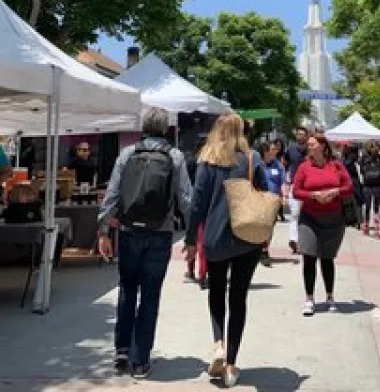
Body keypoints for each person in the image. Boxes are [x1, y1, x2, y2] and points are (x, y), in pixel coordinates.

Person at [97, 108, 192, 379]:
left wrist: (104, 230)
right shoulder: (174, 157)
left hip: (128, 232)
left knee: (127, 288)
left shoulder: (127, 154)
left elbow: (112, 194)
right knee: (150, 294)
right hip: (159, 233)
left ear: (143, 127)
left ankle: (122, 349)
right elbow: (186, 198)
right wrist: (195, 234)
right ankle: (140, 361)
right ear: (165, 129)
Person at [184, 114, 268, 389]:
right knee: (239, 298)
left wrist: (190, 239)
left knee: (217, 291)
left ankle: (218, 342)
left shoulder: (208, 160)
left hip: (216, 237)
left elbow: (197, 203)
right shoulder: (252, 159)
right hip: (247, 237)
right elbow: (266, 194)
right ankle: (231, 364)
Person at [292, 133, 353, 316]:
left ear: (323, 147)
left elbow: (349, 187)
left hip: (333, 218)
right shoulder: (304, 167)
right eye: (308, 145)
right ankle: (309, 299)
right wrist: (313, 195)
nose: (309, 147)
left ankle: (329, 296)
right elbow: (296, 191)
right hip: (310, 218)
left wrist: (335, 192)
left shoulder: (336, 166)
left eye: (313, 144)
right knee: (309, 256)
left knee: (327, 258)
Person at [184, 137, 209, 289]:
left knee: (192, 238)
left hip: (192, 205)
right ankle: (202, 274)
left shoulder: (192, 161)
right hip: (206, 206)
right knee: (201, 242)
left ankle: (192, 270)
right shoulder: (209, 163)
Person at [258, 141, 286, 266]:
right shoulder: (257, 164)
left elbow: (283, 182)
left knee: (269, 226)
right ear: (265, 152)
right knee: (259, 225)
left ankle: (264, 248)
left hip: (273, 201)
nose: (276, 151)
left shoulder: (278, 165)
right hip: (259, 200)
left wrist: (284, 196)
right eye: (273, 149)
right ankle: (261, 250)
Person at [285, 126, 308, 254]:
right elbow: (286, 164)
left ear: (306, 136)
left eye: (302, 134)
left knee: (306, 214)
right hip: (294, 185)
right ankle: (294, 240)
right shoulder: (291, 149)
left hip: (308, 187)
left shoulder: (311, 150)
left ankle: (304, 241)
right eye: (298, 134)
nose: (300, 136)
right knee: (294, 214)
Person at [359, 141, 380, 238]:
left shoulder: (364, 158)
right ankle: (376, 229)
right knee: (376, 208)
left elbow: (362, 171)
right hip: (378, 186)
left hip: (367, 186)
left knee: (367, 207)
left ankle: (366, 227)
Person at [342, 144, 364, 230]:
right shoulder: (355, 160)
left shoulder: (347, 160)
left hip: (349, 182)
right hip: (355, 183)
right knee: (357, 202)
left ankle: (351, 220)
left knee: (349, 203)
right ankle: (359, 221)